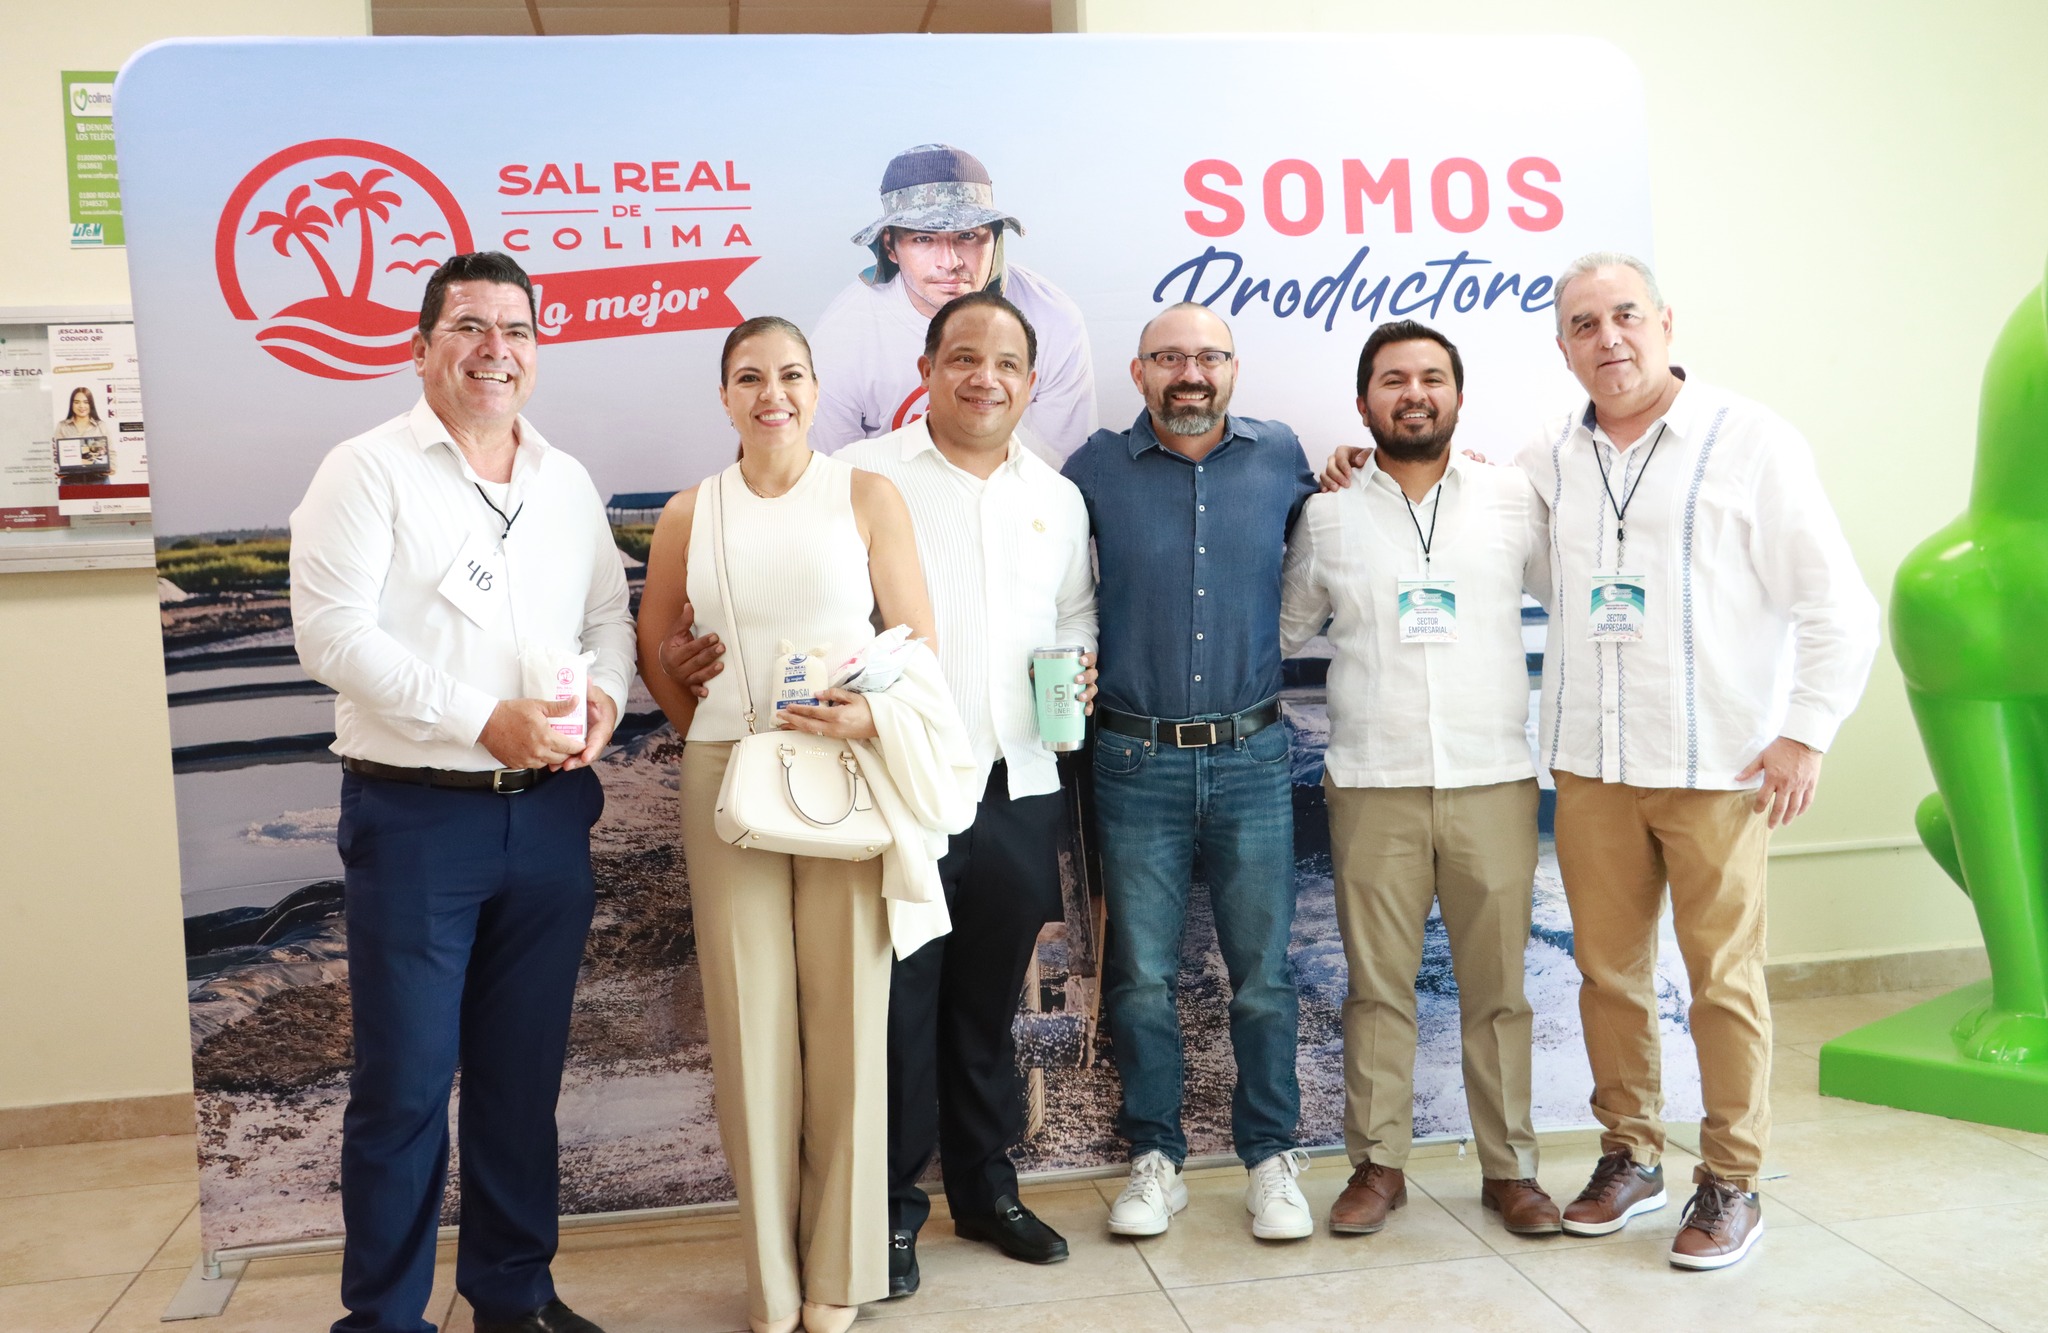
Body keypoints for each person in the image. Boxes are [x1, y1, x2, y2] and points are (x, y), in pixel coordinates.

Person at [290, 251, 630, 1333]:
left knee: (519, 1081)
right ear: (421, 347)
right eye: (470, 327)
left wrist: (607, 703)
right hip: (418, 818)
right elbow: (332, 636)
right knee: (402, 1086)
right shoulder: (366, 470)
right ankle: (385, 1320)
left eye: (516, 329)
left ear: (537, 348)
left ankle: (512, 1296)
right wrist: (482, 718)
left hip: (549, 815)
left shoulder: (565, 480)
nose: (496, 349)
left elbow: (606, 620)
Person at [1520, 254, 1878, 1268]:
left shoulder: (1751, 439)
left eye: (1625, 315)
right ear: (1563, 348)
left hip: (1720, 768)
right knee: (1607, 975)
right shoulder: (1546, 456)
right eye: (1583, 324)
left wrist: (1804, 729)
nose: (1608, 338)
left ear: (1666, 323)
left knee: (1722, 979)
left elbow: (1837, 604)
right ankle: (1629, 1155)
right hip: (1593, 763)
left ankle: (1730, 1179)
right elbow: (1476, 530)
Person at [634, 316, 943, 1333]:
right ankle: (771, 1282)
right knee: (749, 1027)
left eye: (792, 374)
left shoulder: (865, 495)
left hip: (844, 770)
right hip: (729, 779)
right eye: (750, 376)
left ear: (816, 389)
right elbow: (655, 643)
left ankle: (837, 1272)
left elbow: (915, 645)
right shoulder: (690, 511)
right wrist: (707, 727)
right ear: (724, 395)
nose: (773, 393)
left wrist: (868, 717)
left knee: (848, 1019)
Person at [837, 291, 1098, 1296]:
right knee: (900, 1006)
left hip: (1018, 781)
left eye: (1005, 363)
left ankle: (986, 1191)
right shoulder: (865, 476)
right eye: (962, 358)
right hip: (902, 786)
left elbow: (1072, 614)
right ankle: (891, 1214)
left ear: (1030, 382)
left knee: (988, 1006)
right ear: (927, 368)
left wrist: (1077, 667)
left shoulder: (1056, 496)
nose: (984, 378)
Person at [1280, 320, 1560, 1239]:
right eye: (1393, 379)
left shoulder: (1511, 498)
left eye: (1432, 378)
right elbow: (1282, 627)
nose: (1414, 393)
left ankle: (1510, 1170)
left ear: (1458, 397)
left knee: (1500, 989)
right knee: (1377, 989)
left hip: (1493, 778)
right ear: (1364, 403)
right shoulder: (1327, 515)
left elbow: (1575, 593)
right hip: (1373, 782)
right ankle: (1378, 1166)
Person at [1061, 301, 1318, 1242]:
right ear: (1139, 373)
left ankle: (1270, 1157)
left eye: (1209, 356)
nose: (1191, 373)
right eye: (1169, 357)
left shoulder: (1282, 455)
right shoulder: (1093, 468)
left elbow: (1341, 528)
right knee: (1139, 976)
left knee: (1263, 976)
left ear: (1234, 368)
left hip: (1253, 755)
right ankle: (1155, 1158)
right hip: (1134, 758)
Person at [810, 143, 1096, 464]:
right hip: (885, 493)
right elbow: (831, 478)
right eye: (923, 238)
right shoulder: (842, 336)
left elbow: (1064, 470)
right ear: (890, 246)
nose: (950, 262)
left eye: (967, 236)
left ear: (996, 236)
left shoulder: (1054, 319)